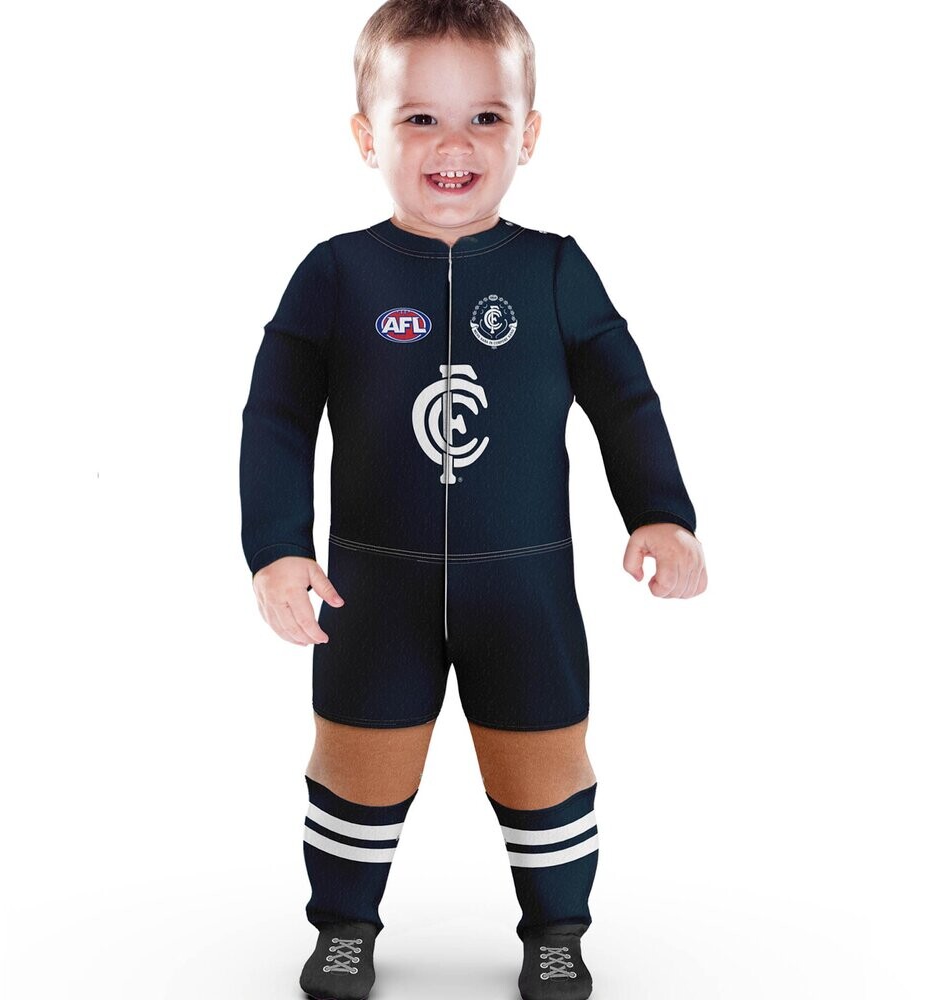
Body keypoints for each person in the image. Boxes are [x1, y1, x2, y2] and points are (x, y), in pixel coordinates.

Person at [239, 2, 707, 997]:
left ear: (527, 134)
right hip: (371, 590)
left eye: (485, 118)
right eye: (420, 118)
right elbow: (276, 415)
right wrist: (276, 547)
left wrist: (661, 513)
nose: (454, 146)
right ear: (366, 134)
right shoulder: (336, 274)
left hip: (524, 591)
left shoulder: (553, 270)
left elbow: (624, 398)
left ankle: (557, 929)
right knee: (355, 764)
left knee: (545, 764)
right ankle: (344, 925)